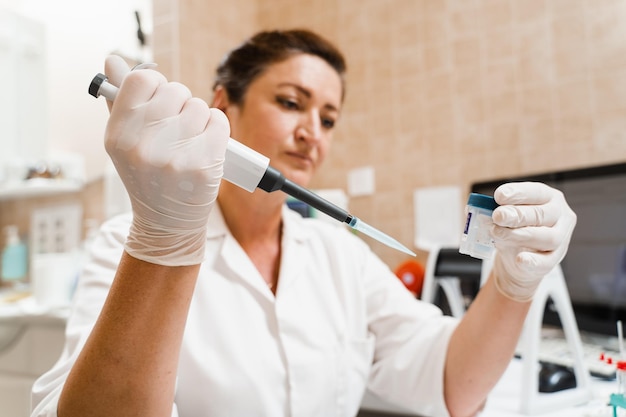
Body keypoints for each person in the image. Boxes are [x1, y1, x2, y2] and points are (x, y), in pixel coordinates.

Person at [31, 29, 576, 417]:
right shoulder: (128, 242)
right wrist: (166, 240)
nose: (312, 132)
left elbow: (454, 385)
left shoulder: (338, 254)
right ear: (222, 105)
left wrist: (513, 284)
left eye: (329, 118)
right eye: (292, 102)